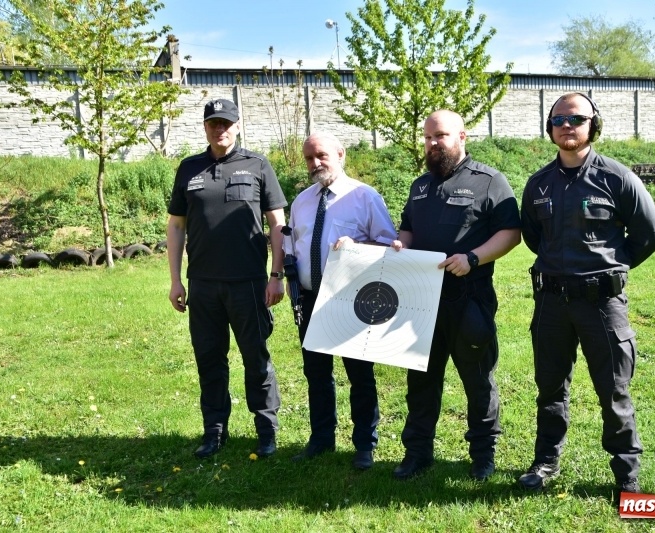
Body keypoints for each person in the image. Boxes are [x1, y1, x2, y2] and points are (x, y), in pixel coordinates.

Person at [518, 92, 655, 496]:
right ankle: (546, 461)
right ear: (550, 128)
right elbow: (534, 237)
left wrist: (609, 269)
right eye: (559, 118)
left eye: (576, 118)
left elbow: (649, 237)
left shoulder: (617, 177)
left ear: (592, 125)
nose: (567, 125)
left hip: (602, 304)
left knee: (613, 390)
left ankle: (626, 474)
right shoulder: (538, 184)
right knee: (549, 388)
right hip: (551, 302)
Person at [390, 110, 522, 481]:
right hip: (421, 299)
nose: (433, 143)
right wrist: (402, 242)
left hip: (469, 297)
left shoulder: (489, 181)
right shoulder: (420, 186)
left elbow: (511, 232)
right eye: (428, 137)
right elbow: (409, 228)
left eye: (441, 136)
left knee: (478, 380)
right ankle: (418, 452)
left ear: (462, 137)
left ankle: (483, 455)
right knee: (421, 380)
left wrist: (474, 258)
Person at [167, 98, 287, 459]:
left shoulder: (258, 165)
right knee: (209, 359)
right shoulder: (189, 169)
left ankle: (266, 431)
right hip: (202, 285)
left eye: (226, 123)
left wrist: (276, 274)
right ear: (205, 127)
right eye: (213, 124)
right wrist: (176, 280)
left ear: (237, 125)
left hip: (248, 283)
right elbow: (176, 226)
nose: (220, 129)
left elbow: (277, 223)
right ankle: (215, 431)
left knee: (256, 359)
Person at [285, 132, 397, 470]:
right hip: (309, 299)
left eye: (321, 155)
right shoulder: (301, 201)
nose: (314, 163)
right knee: (316, 374)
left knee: (359, 374)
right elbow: (294, 245)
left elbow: (391, 245)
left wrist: (358, 248)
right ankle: (321, 439)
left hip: (351, 299)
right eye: (308, 158)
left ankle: (365, 444)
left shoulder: (364, 196)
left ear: (340, 154)